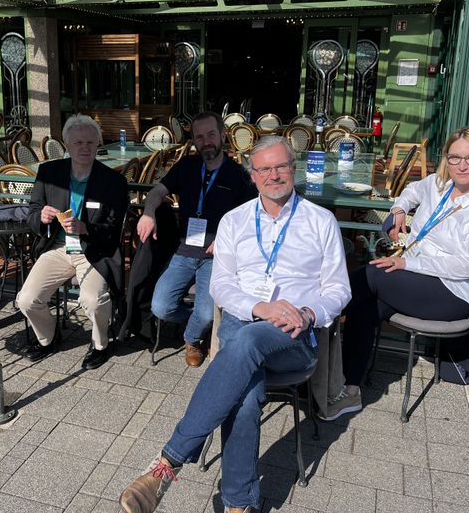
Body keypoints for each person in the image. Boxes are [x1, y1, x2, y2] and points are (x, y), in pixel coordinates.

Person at [119, 136, 351, 513]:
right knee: (244, 393)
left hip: (296, 335)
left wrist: (307, 313)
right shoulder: (234, 221)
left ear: (294, 169)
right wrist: (261, 306)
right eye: (264, 169)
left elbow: (339, 289)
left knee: (245, 345)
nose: (274, 175)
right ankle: (239, 506)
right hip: (245, 320)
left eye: (281, 166)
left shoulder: (321, 221)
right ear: (252, 175)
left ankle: (167, 465)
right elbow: (222, 285)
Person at [322, 126, 469, 421]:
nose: (461, 165)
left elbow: (468, 266)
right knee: (366, 305)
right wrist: (399, 209)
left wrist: (409, 264)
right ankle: (349, 389)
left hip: (452, 291)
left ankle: (307, 322)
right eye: (454, 157)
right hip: (414, 279)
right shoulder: (440, 184)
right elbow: (412, 190)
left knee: (373, 274)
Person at [137, 111, 256, 366]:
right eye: (200, 137)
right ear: (194, 141)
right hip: (183, 252)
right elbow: (158, 190)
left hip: (217, 256)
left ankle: (192, 339)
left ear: (223, 135)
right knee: (160, 307)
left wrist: (227, 240)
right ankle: (203, 325)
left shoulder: (239, 175)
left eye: (211, 134)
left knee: (204, 312)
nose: (206, 141)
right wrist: (148, 213)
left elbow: (252, 216)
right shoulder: (187, 167)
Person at [15, 115, 128, 371]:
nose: (85, 148)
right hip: (58, 247)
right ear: (66, 143)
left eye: (91, 142)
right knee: (26, 299)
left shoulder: (113, 181)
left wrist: (86, 227)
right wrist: (41, 217)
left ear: (98, 143)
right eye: (78, 142)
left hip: (94, 250)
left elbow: (113, 229)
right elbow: (32, 213)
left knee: (93, 300)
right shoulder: (48, 173)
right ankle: (48, 337)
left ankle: (101, 344)